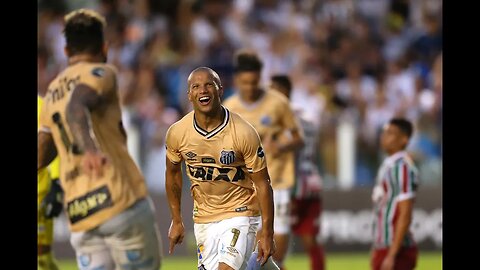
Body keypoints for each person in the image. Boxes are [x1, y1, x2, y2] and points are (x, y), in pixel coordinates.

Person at [37, 9, 162, 270]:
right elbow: (77, 105)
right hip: (119, 201)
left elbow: (41, 154)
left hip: (81, 214)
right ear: (104, 47)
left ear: (66, 51)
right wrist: (90, 149)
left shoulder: (51, 93)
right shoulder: (101, 73)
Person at [165, 67, 276, 270]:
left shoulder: (243, 132)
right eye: (196, 86)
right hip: (204, 219)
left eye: (209, 84)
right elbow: (172, 175)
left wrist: (267, 233)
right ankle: (258, 266)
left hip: (241, 212)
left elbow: (263, 182)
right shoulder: (178, 133)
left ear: (220, 90)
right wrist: (176, 220)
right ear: (189, 95)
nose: (203, 90)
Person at [224, 51, 304, 270]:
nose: (250, 87)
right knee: (255, 253)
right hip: (246, 187)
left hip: (277, 182)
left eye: (254, 82)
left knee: (276, 254)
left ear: (260, 78)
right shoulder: (230, 108)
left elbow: (298, 139)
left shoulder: (277, 103)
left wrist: (280, 146)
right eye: (245, 83)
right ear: (237, 80)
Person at [270, 75, 326, 270]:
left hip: (290, 185)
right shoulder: (307, 117)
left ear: (283, 92)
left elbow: (286, 154)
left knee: (276, 241)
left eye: (273, 90)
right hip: (312, 182)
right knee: (311, 240)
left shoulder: (283, 120)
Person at [371, 118, 419, 270]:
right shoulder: (389, 165)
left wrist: (392, 255)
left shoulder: (402, 168)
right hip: (384, 245)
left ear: (404, 140)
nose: (384, 136)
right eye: (385, 132)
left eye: (391, 133)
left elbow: (405, 213)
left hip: (397, 250)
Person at [37, 95, 62, 270]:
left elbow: (52, 141)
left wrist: (55, 182)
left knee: (43, 256)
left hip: (40, 190)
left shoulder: (41, 105)